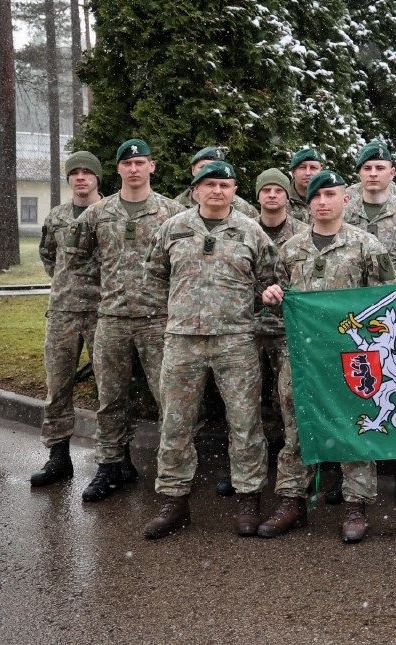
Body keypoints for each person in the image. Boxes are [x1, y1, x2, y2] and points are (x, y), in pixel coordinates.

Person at [139, 161, 279, 539]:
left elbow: (270, 281)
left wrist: (253, 308)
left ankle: (248, 498)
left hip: (236, 341)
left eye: (225, 185)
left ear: (234, 191)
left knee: (245, 422)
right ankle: (174, 500)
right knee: (176, 422)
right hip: (182, 340)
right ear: (196, 190)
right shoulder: (173, 228)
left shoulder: (251, 232)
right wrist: (173, 315)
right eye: (210, 184)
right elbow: (153, 277)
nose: (218, 190)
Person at [256, 169, 395, 541]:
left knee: (355, 425)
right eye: (315, 196)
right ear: (307, 203)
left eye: (330, 194)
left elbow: (385, 303)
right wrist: (272, 297)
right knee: (297, 427)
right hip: (302, 355)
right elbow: (281, 296)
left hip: (352, 357)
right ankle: (291, 501)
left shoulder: (367, 247)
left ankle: (355, 505)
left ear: (345, 199)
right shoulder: (291, 249)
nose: (322, 201)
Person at [67, 138, 185, 503]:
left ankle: (173, 472)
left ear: (151, 166)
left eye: (140, 162)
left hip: (158, 321)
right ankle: (111, 465)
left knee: (169, 398)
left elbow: (186, 261)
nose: (134, 169)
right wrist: (106, 286)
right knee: (110, 398)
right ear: (118, 169)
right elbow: (76, 256)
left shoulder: (172, 213)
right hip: (112, 320)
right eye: (127, 163)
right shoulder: (98, 213)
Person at [345, 140, 396, 504]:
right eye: (367, 168)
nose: (373, 174)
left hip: (395, 311)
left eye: (380, 168)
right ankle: (350, 466)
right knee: (357, 390)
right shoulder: (344, 205)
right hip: (352, 309)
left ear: (392, 172)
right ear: (359, 173)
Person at [30, 151, 103, 487]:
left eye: (87, 172)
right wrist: (67, 284)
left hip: (102, 312)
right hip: (62, 313)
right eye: (75, 172)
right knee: (58, 386)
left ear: (97, 178)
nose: (81, 177)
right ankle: (58, 457)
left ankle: (116, 458)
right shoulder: (57, 216)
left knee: (111, 389)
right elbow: (48, 255)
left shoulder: (110, 213)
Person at [245, 168, 307, 502]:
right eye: (266, 189)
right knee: (246, 402)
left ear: (287, 196)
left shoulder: (302, 233)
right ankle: (248, 468)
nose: (272, 195)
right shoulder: (244, 230)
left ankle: (293, 472)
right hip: (250, 328)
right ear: (257, 195)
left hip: (288, 330)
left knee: (290, 400)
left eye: (278, 190)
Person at [175, 146, 259, 218]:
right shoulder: (175, 205)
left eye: (215, 168)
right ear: (193, 170)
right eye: (203, 167)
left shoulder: (243, 208)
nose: (208, 172)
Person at [286, 147, 325, 224]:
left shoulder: (330, 199)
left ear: (321, 170)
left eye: (313, 168)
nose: (308, 173)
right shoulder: (282, 199)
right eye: (302, 167)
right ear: (293, 172)